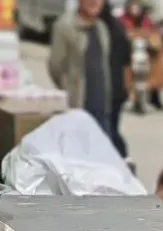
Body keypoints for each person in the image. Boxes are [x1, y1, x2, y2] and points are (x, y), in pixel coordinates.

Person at [48, 0, 112, 135]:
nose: (94, 2)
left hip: (101, 111)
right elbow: (55, 66)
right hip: (77, 110)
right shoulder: (65, 26)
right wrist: (70, 90)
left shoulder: (101, 28)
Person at [121, 1, 163, 111]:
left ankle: (155, 96)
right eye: (132, 6)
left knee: (157, 65)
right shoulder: (122, 20)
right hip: (129, 53)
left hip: (145, 53)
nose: (135, 9)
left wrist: (152, 38)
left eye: (137, 6)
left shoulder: (146, 21)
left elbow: (155, 33)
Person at [99, 1, 131, 156]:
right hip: (119, 89)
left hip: (105, 88)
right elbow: (127, 58)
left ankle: (121, 156)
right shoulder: (118, 26)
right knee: (113, 126)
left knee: (107, 129)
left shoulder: (98, 29)